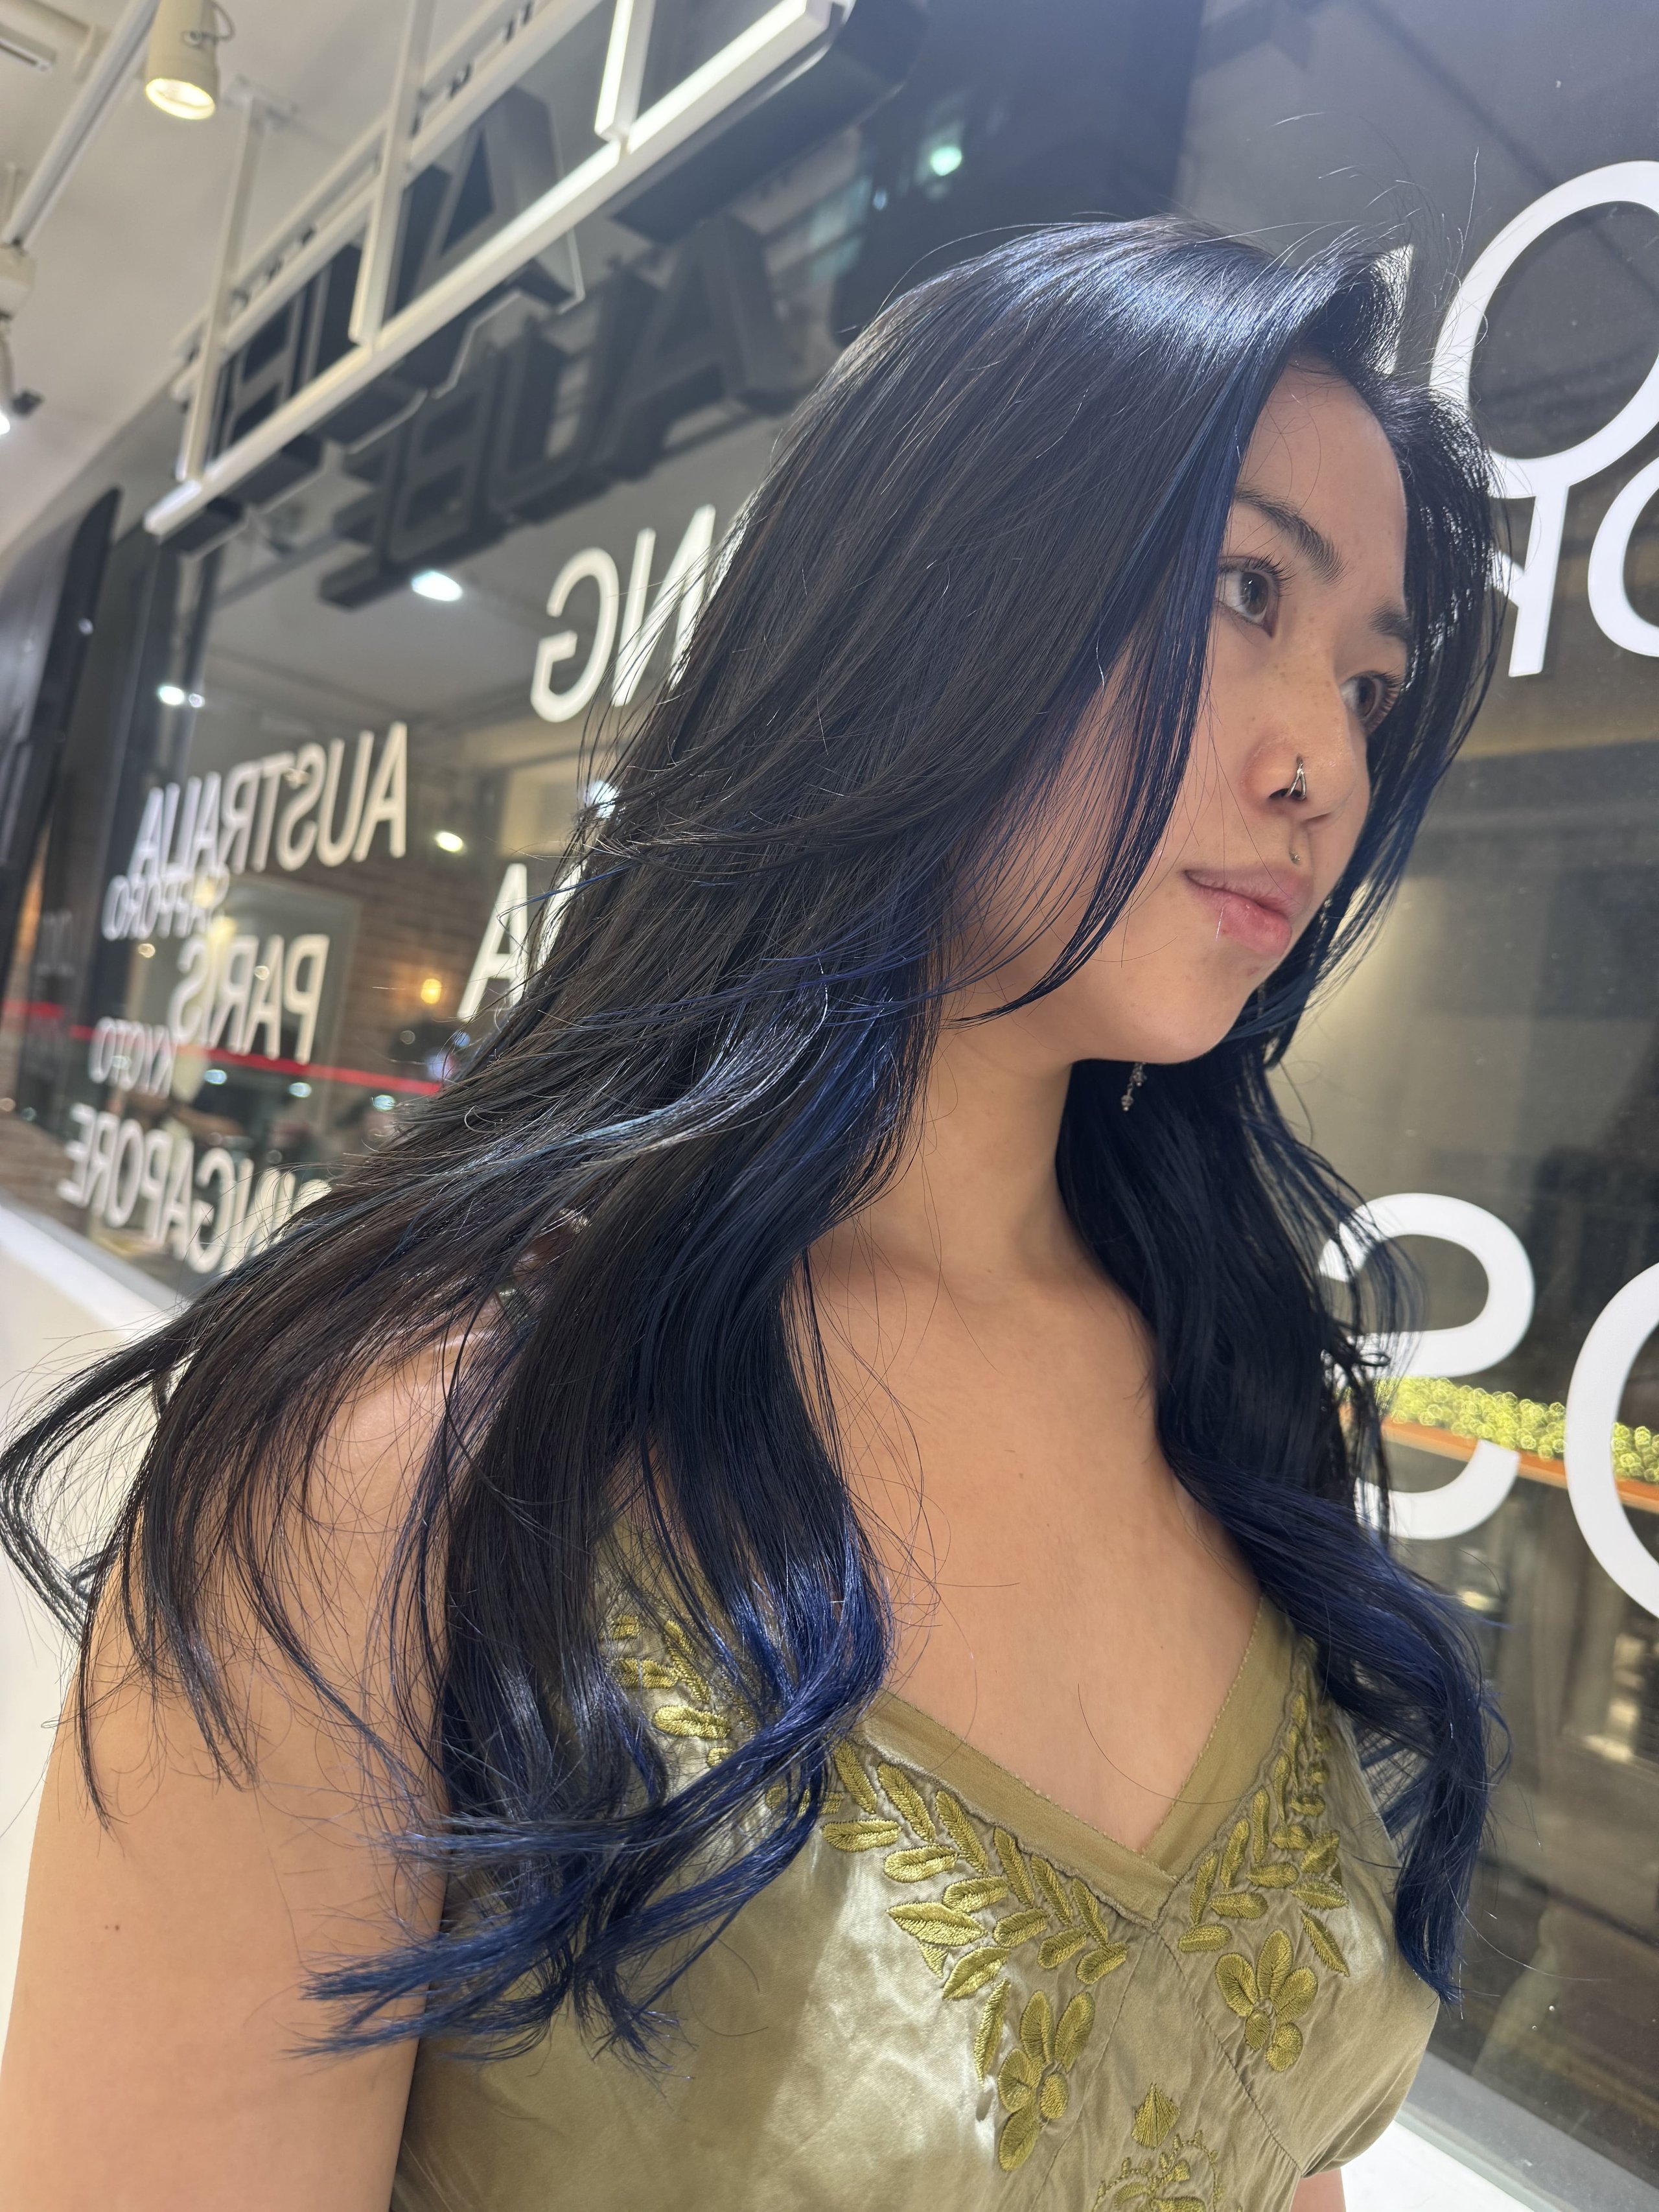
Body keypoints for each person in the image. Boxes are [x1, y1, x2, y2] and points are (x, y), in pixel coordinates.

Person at [0, 218, 1500, 2211]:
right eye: (1243, 592)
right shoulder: (420, 1457)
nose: (1324, 763)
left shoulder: (1232, 1397)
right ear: (927, 603)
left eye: (1372, 685)